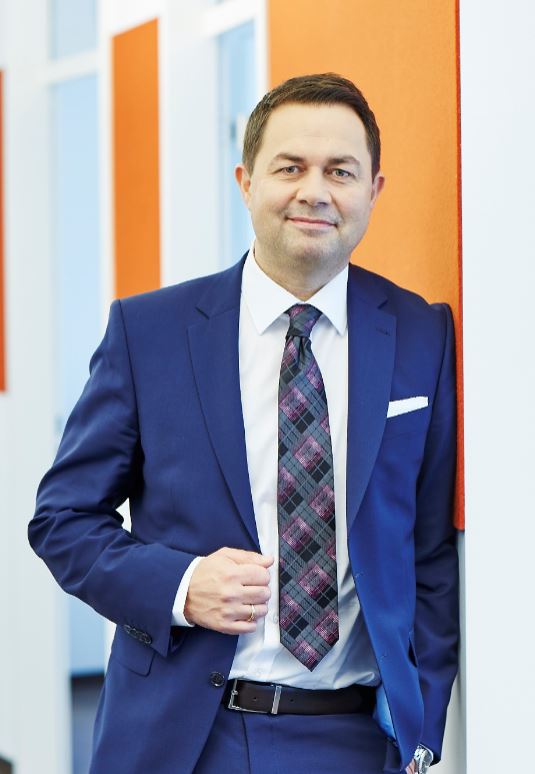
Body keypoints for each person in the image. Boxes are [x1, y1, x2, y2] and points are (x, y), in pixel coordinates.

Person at [28, 74, 458, 774]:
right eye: (289, 168)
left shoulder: (421, 335)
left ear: (373, 189)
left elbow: (430, 552)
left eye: (340, 171)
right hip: (183, 739)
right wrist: (180, 585)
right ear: (246, 181)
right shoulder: (150, 332)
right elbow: (63, 521)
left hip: (356, 741)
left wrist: (424, 729)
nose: (314, 192)